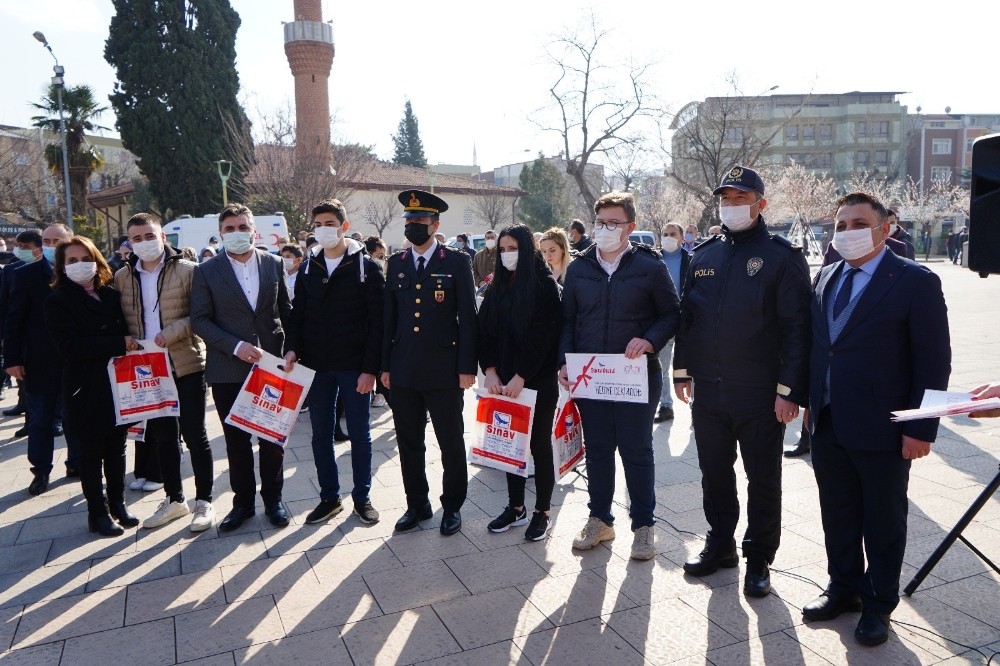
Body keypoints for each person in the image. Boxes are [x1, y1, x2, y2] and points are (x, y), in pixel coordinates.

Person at [802, 192, 950, 646]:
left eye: (859, 224)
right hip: (829, 421)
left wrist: (921, 427)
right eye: (841, 225)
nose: (847, 232)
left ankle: (878, 604)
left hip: (884, 427)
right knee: (838, 512)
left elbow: (933, 362)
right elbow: (820, 347)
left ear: (885, 229)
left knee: (883, 521)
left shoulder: (915, 281)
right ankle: (843, 588)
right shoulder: (826, 276)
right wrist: (807, 402)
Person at [673, 166, 811, 596]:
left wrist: (789, 391)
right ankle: (721, 544)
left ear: (760, 204)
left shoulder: (782, 257)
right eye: (726, 199)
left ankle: (759, 557)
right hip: (710, 390)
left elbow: (797, 330)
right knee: (714, 473)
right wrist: (682, 369)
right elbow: (688, 317)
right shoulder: (704, 255)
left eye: (740, 199)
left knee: (763, 477)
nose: (731, 206)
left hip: (760, 393)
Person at [559, 191, 679, 561]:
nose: (605, 229)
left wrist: (649, 340)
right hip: (591, 376)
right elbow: (567, 321)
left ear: (630, 226)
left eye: (614, 223)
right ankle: (600, 519)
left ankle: (643, 526)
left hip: (635, 376)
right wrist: (564, 363)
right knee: (597, 450)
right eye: (600, 222)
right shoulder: (579, 268)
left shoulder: (649, 266)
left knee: (637, 450)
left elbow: (671, 314)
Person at [190, 203, 292, 531]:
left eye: (243, 227)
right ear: (220, 233)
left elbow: (284, 310)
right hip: (227, 368)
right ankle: (243, 504)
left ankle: (274, 500)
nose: (237, 233)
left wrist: (292, 348)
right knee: (236, 442)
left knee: (272, 440)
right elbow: (199, 320)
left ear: (254, 231)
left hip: (271, 366)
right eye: (230, 229)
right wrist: (235, 346)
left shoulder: (273, 263)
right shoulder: (206, 271)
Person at [382, 189, 477, 536]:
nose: (413, 225)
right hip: (404, 368)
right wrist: (385, 366)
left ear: (435, 224)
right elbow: (389, 319)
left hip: (444, 370)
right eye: (409, 220)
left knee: (450, 442)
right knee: (409, 443)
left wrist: (466, 367)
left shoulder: (456, 262)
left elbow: (468, 318)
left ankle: (452, 506)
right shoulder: (396, 263)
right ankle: (417, 504)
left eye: (420, 220)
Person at [284, 199, 384, 526]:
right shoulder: (308, 268)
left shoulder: (366, 267)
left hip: (354, 366)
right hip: (317, 366)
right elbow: (298, 315)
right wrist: (292, 349)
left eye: (329, 223)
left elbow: (378, 323)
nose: (323, 230)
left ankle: (362, 498)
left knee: (359, 433)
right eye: (318, 224)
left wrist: (370, 370)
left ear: (344, 226)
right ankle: (329, 498)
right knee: (320, 434)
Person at [115, 212, 216, 532]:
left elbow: (202, 315)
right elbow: (119, 318)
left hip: (185, 361)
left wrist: (171, 333)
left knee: (195, 434)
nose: (144, 242)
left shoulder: (188, 270)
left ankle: (204, 501)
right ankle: (174, 499)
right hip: (148, 369)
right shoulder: (122, 277)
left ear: (162, 237)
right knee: (163, 437)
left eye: (150, 235)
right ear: (130, 242)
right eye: (137, 238)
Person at [44, 236, 139, 537]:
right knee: (91, 452)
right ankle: (97, 513)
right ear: (62, 267)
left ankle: (118, 504)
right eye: (72, 260)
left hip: (116, 382)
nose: (80, 265)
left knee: (117, 448)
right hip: (84, 386)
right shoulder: (57, 301)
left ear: (97, 261)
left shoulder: (109, 295)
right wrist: (118, 343)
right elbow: (69, 347)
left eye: (86, 259)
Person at [479, 224, 561, 541]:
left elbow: (544, 336)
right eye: (502, 249)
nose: (506, 254)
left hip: (536, 380)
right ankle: (516, 507)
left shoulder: (543, 284)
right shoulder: (497, 285)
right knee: (510, 445)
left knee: (538, 445)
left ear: (526, 249)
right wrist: (490, 369)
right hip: (502, 380)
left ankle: (542, 511)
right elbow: (485, 330)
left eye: (512, 248)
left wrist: (522, 375)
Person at [5, 223, 80, 495]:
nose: (50, 246)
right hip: (39, 361)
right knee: (40, 420)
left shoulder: (83, 272)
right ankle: (41, 471)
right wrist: (12, 359)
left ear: (70, 241)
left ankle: (76, 463)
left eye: (56, 241)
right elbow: (15, 319)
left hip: (77, 360)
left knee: (76, 416)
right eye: (46, 241)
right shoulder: (25, 275)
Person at [655, 222, 691, 423]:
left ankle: (696, 406)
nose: (668, 237)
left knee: (691, 366)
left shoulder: (691, 260)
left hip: (687, 320)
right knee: (662, 366)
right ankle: (666, 405)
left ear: (681, 238)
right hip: (663, 320)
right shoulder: (654, 260)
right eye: (665, 234)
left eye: (673, 234)